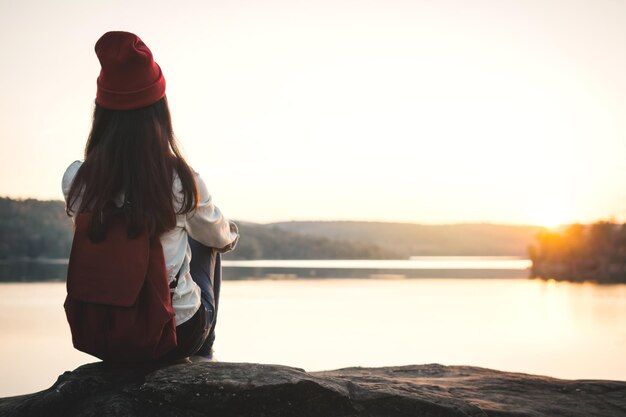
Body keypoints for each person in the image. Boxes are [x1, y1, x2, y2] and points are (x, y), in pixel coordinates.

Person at [61, 31, 238, 362]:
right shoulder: (181, 182)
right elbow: (219, 235)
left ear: (101, 115)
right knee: (206, 241)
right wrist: (229, 236)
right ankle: (204, 356)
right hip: (173, 336)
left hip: (105, 334)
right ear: (159, 114)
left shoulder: (77, 179)